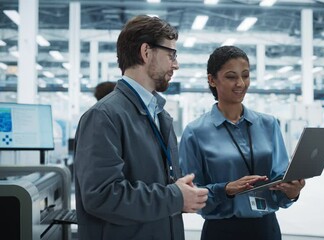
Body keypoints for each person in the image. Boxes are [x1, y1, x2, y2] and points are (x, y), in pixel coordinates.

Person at [73, 15, 208, 240]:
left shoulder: (160, 116)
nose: (176, 64)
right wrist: (174, 197)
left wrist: (182, 194)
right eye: (171, 54)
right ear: (146, 52)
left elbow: (159, 187)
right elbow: (102, 195)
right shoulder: (103, 116)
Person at [179, 46, 306, 240]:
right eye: (231, 77)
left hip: (267, 229)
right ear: (212, 80)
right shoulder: (195, 132)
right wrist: (226, 189)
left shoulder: (269, 124)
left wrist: (292, 192)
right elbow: (191, 194)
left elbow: (280, 179)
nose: (240, 83)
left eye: (245, 75)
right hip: (222, 231)